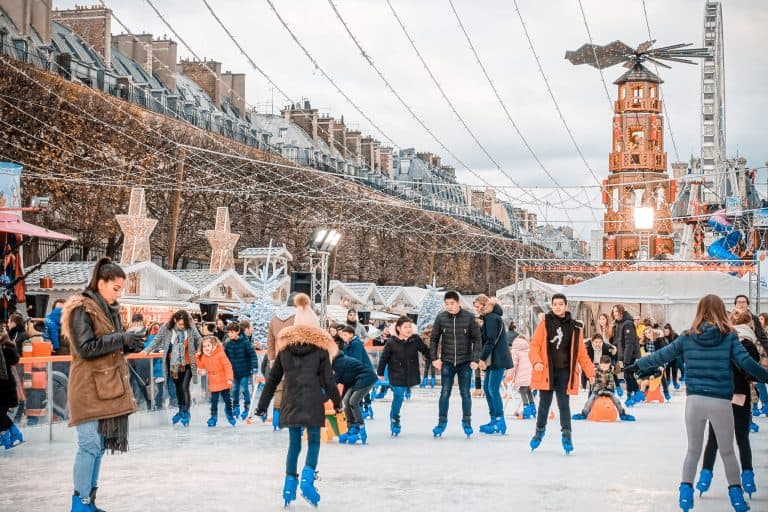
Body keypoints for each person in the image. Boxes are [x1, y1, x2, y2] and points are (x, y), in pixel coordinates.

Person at [626, 294, 768, 512]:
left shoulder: (687, 337)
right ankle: (737, 499)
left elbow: (662, 355)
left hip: (694, 402)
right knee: (728, 451)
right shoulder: (729, 337)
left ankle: (685, 494)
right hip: (720, 401)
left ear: (699, 311)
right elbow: (747, 363)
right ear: (722, 311)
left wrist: (637, 365)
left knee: (693, 450)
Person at [60, 258, 145, 512]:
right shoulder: (80, 309)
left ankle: (89, 501)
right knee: (89, 446)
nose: (119, 293)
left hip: (105, 388)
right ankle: (80, 503)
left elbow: (110, 349)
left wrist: (129, 344)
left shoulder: (109, 311)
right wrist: (121, 338)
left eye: (121, 289)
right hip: (87, 388)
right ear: (101, 283)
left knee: (97, 447)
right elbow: (85, 349)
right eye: (116, 288)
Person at [255, 293, 342, 507]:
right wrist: (338, 403)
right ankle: (307, 480)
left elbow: (272, 380)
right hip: (313, 402)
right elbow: (329, 382)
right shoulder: (321, 352)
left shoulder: (284, 352)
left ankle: (289, 485)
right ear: (315, 330)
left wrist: (261, 407)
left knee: (294, 445)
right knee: (313, 442)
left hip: (291, 401)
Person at [695, 310, 761, 500]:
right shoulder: (748, 344)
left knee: (714, 439)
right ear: (750, 325)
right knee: (742, 438)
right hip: (740, 394)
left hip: (719, 394)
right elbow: (752, 371)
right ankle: (747, 478)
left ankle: (704, 477)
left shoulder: (721, 342)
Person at [529, 293, 595, 454]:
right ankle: (539, 432)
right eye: (555, 304)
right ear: (552, 306)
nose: (558, 306)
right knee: (544, 404)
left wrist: (590, 373)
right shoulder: (544, 324)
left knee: (564, 405)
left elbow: (581, 354)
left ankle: (567, 435)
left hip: (565, 372)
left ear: (566, 306)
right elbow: (535, 345)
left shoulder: (574, 327)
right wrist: (537, 361)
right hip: (547, 371)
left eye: (560, 304)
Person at [429, 290, 482, 438]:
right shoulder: (440, 318)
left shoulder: (469, 317)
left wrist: (475, 359)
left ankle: (467, 422)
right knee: (445, 393)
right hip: (447, 361)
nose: (449, 306)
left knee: (465, 393)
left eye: (452, 303)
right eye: (446, 304)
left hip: (465, 362)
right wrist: (434, 358)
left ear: (458, 303)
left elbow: (477, 340)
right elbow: (433, 339)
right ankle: (441, 422)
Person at [142, 310, 202, 427]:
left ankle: (185, 412)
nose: (182, 327)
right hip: (173, 364)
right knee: (178, 388)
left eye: (183, 324)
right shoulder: (166, 327)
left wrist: (199, 349)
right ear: (174, 320)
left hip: (188, 362)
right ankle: (181, 410)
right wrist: (147, 350)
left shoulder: (190, 326)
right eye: (180, 324)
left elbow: (199, 339)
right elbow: (156, 339)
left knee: (184, 387)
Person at [376, 316, 430, 436]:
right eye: (405, 327)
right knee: (399, 396)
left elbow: (426, 351)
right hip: (396, 374)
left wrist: (435, 360)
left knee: (402, 393)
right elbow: (384, 358)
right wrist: (380, 373)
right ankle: (395, 419)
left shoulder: (415, 340)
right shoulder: (391, 342)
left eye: (410, 327)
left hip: (410, 373)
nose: (408, 329)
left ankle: (394, 416)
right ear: (398, 328)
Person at [474, 295, 513, 435]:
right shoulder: (488, 318)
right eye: (476, 307)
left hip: (497, 358)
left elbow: (490, 340)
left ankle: (499, 420)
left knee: (492, 389)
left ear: (485, 305)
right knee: (487, 388)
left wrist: (481, 358)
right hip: (493, 358)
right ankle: (493, 419)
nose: (477, 309)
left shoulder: (492, 318)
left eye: (478, 306)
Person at [266, 293, 297, 429]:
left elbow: (270, 340)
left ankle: (276, 420)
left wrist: (272, 358)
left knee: (279, 390)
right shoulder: (299, 317)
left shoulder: (275, 318)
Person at [332, 352, 378, 444]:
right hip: (355, 381)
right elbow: (344, 380)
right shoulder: (335, 362)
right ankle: (352, 426)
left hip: (367, 378)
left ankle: (361, 429)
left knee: (353, 401)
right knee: (345, 401)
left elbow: (334, 382)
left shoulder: (339, 363)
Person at [572, 355, 634, 421]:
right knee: (590, 399)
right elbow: (594, 384)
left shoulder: (610, 373)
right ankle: (584, 413)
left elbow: (611, 383)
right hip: (597, 391)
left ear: (609, 365)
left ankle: (622, 414)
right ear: (600, 364)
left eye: (607, 366)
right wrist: (599, 390)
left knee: (616, 400)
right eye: (603, 366)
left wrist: (607, 390)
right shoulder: (596, 372)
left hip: (608, 392)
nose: (605, 367)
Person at [195, 335, 235, 427]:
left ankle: (230, 415)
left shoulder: (220, 354)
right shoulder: (204, 356)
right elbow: (201, 366)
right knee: (214, 401)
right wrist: (197, 358)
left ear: (214, 345)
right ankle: (213, 417)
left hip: (223, 380)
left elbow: (227, 366)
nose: (206, 348)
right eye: (204, 346)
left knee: (227, 400)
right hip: (213, 381)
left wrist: (229, 378)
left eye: (208, 345)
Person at [224, 320, 259, 421]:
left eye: (232, 332)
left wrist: (254, 367)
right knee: (234, 389)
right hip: (234, 372)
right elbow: (224, 358)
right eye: (228, 332)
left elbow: (252, 355)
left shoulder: (245, 342)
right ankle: (236, 406)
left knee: (244, 388)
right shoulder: (228, 344)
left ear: (237, 331)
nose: (230, 334)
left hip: (244, 371)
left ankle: (247, 407)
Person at [611, 304, 641, 406]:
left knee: (628, 375)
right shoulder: (619, 323)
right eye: (614, 312)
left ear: (622, 312)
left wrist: (626, 360)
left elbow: (629, 343)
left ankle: (630, 396)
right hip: (624, 355)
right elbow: (619, 341)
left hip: (630, 355)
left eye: (617, 311)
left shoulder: (627, 323)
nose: (615, 314)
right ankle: (637, 393)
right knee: (628, 375)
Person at [0, 329, 22, 449]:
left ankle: (11, 435)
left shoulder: (6, 350)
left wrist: (7, 343)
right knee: (1, 414)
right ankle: (12, 434)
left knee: (1, 414)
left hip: (4, 387)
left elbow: (14, 360)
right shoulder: (7, 349)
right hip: (6, 387)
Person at [639, 326, 671, 402]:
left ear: (652, 331)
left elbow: (663, 353)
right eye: (646, 333)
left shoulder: (659, 340)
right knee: (646, 374)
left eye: (649, 332)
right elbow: (644, 352)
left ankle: (666, 392)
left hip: (660, 361)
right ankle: (645, 392)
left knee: (661, 374)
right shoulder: (646, 342)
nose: (648, 334)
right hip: (650, 362)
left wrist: (662, 365)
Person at [508, 334, 534, 419]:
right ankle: (533, 410)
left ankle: (526, 411)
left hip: (521, 377)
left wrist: (509, 376)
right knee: (529, 391)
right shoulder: (529, 350)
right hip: (530, 376)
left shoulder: (515, 351)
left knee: (522, 391)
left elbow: (513, 365)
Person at [662, 324, 682, 389]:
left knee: (674, 369)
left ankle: (675, 382)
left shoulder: (675, 336)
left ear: (670, 331)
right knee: (667, 368)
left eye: (667, 332)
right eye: (664, 332)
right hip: (667, 356)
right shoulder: (663, 337)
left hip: (675, 356)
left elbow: (679, 344)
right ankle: (668, 380)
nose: (666, 333)